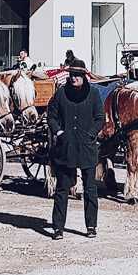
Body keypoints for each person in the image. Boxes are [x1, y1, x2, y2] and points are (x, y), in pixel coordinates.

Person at [45, 60, 103, 240]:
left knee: (90, 189)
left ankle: (91, 226)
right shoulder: (61, 94)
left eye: (77, 76)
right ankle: (58, 228)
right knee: (62, 189)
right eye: (71, 75)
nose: (74, 79)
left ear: (84, 77)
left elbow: (99, 117)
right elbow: (51, 116)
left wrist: (91, 134)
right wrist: (60, 132)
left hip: (87, 147)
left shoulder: (93, 93)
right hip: (66, 147)